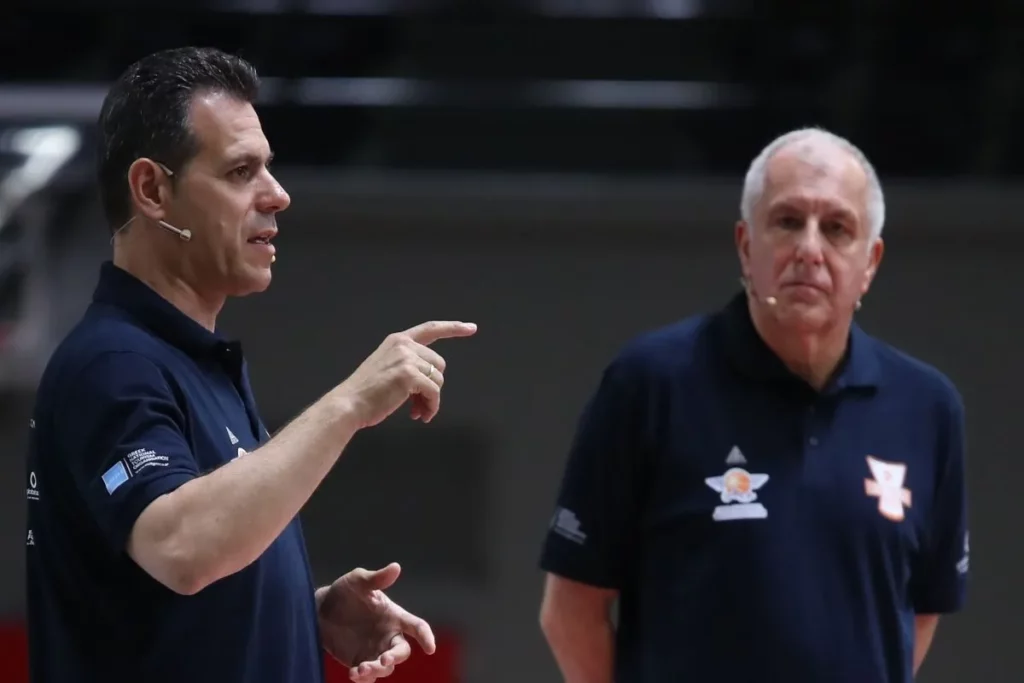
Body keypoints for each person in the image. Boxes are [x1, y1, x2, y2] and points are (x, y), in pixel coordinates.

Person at [24, 46, 477, 683]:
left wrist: (298, 612)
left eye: (268, 168)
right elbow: (181, 547)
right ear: (152, 190)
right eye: (240, 172)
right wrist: (351, 402)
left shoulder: (187, 361)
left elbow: (166, 590)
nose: (278, 195)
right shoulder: (112, 364)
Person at [537, 128, 969, 683]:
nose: (810, 249)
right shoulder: (651, 383)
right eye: (788, 221)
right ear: (746, 245)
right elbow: (570, 613)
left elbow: (919, 610)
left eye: (837, 228)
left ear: (870, 263)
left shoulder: (928, 408)